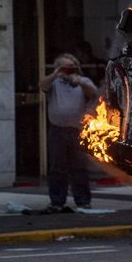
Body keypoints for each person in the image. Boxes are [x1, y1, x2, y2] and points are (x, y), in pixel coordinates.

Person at [41, 53, 98, 212]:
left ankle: (83, 200)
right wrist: (55, 74)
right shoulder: (54, 83)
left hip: (77, 131)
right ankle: (57, 201)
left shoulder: (83, 81)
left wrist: (78, 80)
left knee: (79, 167)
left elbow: (93, 93)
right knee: (57, 168)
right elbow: (42, 85)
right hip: (57, 130)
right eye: (64, 67)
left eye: (70, 67)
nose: (67, 70)